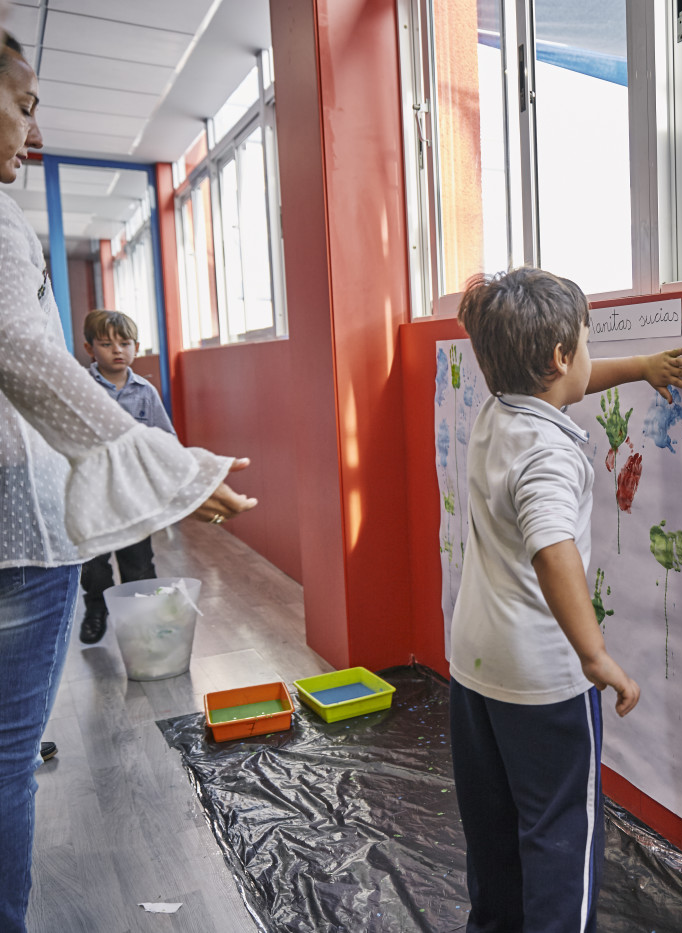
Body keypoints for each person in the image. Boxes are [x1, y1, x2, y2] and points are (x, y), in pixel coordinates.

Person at [0, 32, 257, 933]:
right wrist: (183, 478)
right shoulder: (4, 227)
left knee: (130, 557)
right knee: (7, 756)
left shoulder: (144, 388)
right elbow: (21, 353)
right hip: (24, 530)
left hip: (107, 512)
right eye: (24, 106)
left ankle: (110, 601)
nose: (31, 134)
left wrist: (169, 474)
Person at [449, 267, 682, 932]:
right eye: (586, 343)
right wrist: (596, 655)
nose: (588, 356)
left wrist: (642, 364)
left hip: (474, 669)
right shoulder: (549, 453)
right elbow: (554, 548)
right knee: (560, 835)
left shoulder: (496, 411)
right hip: (543, 683)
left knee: (495, 833)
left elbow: (572, 382)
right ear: (560, 356)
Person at [76, 309, 177, 644]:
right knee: (93, 566)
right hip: (91, 498)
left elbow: (165, 439)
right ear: (90, 349)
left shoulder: (144, 391)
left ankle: (146, 619)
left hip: (133, 498)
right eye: (106, 344)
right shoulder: (79, 388)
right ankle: (96, 608)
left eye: (125, 343)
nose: (117, 350)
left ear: (137, 346)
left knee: (138, 564)